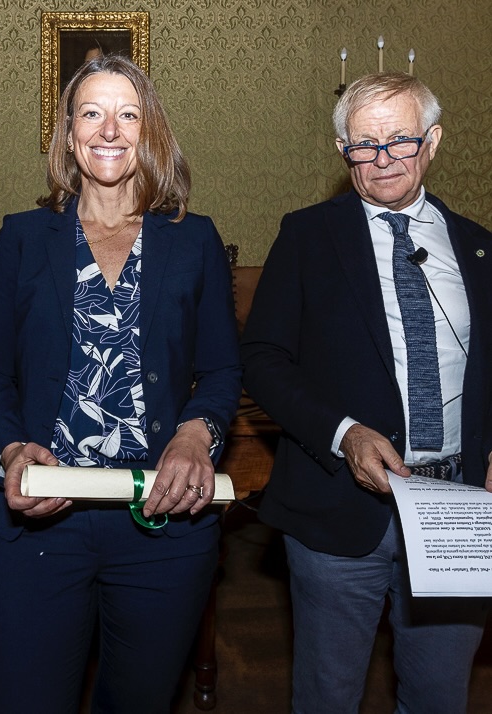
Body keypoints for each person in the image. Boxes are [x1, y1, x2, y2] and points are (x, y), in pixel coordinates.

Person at [0, 54, 241, 714]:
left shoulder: (194, 239)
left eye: (128, 114)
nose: (109, 129)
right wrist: (10, 450)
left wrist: (194, 434)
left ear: (149, 133)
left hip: (161, 523)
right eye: (91, 113)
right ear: (68, 134)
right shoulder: (23, 238)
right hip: (42, 516)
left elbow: (223, 369)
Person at [241, 71, 492, 714]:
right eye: (363, 144)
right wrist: (343, 433)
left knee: (440, 696)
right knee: (328, 696)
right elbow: (263, 359)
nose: (381, 159)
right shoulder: (305, 237)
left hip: (458, 509)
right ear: (342, 151)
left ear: (432, 142)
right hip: (338, 511)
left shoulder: (480, 248)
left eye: (399, 140)